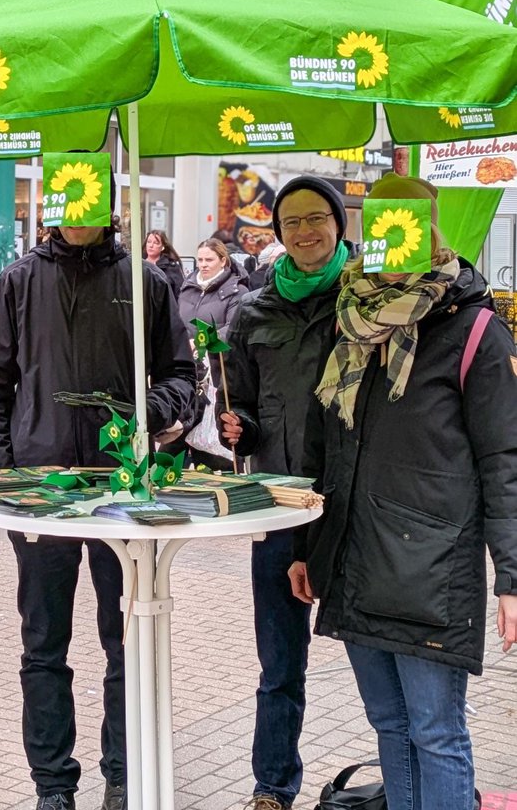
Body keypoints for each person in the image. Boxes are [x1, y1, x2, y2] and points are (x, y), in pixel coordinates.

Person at [289, 174, 517, 810]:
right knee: (390, 727)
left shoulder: (474, 330)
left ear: (429, 231)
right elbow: (325, 446)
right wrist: (310, 546)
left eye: (404, 231)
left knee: (436, 732)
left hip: (432, 572)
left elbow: (505, 460)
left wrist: (511, 579)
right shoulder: (351, 320)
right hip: (356, 558)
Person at [0, 186, 196, 810]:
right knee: (43, 642)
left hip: (122, 485)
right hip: (39, 491)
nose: (77, 218)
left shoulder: (145, 282)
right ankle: (53, 785)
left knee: (124, 638)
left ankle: (123, 777)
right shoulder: (19, 282)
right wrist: (3, 472)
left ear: (108, 203)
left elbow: (183, 377)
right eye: (65, 203)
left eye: (88, 203)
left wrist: (148, 412)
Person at [217, 175, 353, 810]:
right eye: (290, 222)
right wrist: (237, 423)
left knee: (379, 659)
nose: (304, 231)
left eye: (315, 217)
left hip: (354, 504)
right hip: (277, 500)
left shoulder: (368, 303)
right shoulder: (252, 311)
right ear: (277, 234)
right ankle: (273, 787)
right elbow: (238, 399)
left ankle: (409, 781)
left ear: (339, 222)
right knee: (280, 663)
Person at [178, 237, 250, 470]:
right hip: (188, 375)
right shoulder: (186, 287)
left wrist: (204, 341)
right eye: (199, 259)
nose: (203, 264)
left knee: (216, 455)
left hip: (220, 375)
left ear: (223, 260)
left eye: (209, 259)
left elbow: (235, 328)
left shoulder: (236, 291)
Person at [142, 229, 184, 299]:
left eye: (156, 243)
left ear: (163, 247)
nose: (151, 245)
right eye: (149, 242)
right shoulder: (138, 264)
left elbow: (179, 292)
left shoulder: (171, 267)